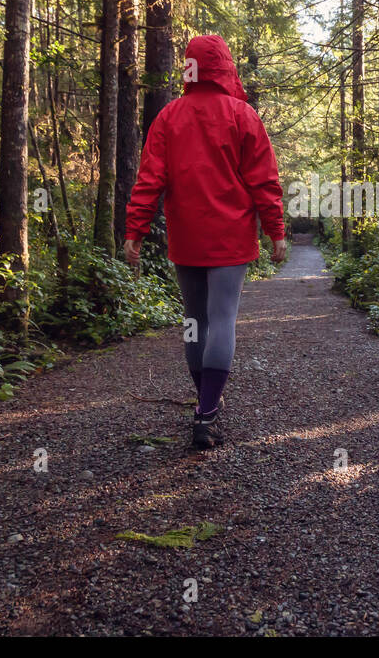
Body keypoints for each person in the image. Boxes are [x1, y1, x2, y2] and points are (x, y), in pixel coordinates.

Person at [123, 34, 287, 449]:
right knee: (222, 320)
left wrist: (135, 232)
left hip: (186, 238)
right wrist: (275, 231)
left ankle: (205, 402)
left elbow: (148, 182)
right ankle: (207, 413)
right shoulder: (243, 115)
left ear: (190, 67)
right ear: (225, 65)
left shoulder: (168, 117)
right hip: (229, 239)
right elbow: (264, 181)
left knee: (195, 321)